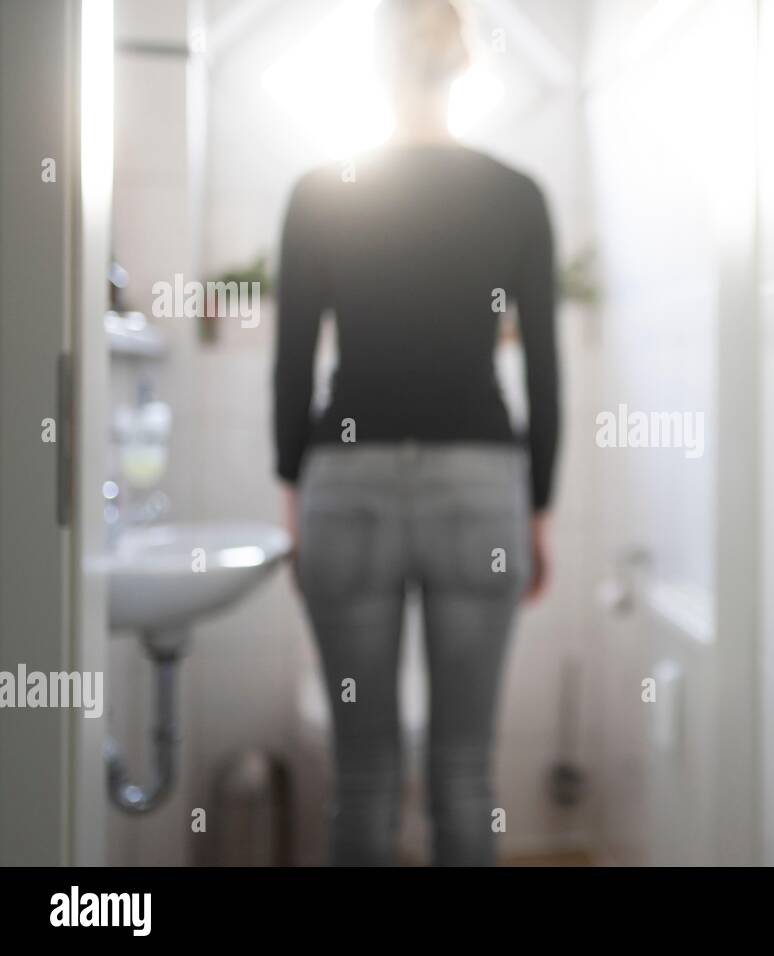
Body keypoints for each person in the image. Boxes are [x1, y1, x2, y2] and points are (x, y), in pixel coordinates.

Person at [273, 0, 559, 866]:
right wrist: (536, 510)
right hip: (480, 488)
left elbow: (290, 363)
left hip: (345, 487)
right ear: (461, 61)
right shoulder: (515, 196)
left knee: (362, 780)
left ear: (377, 63)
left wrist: (295, 494)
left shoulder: (321, 191)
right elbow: (543, 371)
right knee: (465, 772)